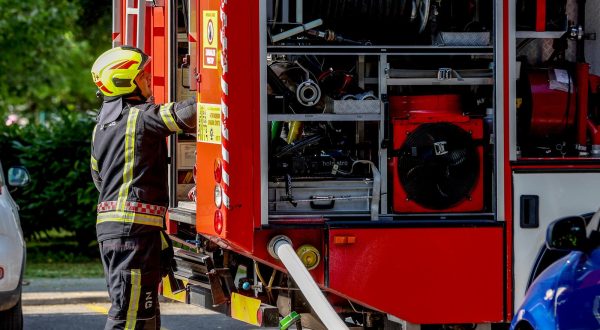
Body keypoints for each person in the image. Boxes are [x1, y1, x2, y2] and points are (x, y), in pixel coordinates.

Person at [90, 46, 196, 330]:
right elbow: (185, 114)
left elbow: (98, 177)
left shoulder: (102, 126)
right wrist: (216, 92)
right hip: (131, 236)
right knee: (128, 317)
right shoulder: (137, 117)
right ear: (124, 81)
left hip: (126, 232)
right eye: (142, 75)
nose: (149, 78)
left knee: (143, 316)